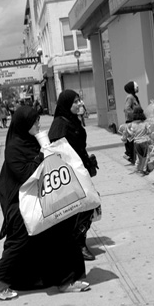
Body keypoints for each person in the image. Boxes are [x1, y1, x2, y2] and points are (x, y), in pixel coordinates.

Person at [0, 105, 89, 300]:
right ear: (24, 124)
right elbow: (25, 174)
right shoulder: (14, 148)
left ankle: (66, 280)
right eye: (34, 121)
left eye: (38, 120)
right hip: (20, 204)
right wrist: (43, 154)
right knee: (19, 241)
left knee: (62, 231)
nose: (38, 124)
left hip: (40, 197)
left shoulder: (31, 141)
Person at [48, 89, 97, 261]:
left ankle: (78, 243)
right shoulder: (60, 124)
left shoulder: (73, 120)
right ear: (66, 104)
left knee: (88, 206)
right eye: (75, 102)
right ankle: (78, 245)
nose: (79, 104)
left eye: (79, 100)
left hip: (81, 171)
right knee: (83, 208)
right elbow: (55, 151)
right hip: (70, 175)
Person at [127, 106, 153, 175]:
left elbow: (132, 133)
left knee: (139, 157)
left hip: (136, 143)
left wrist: (128, 130)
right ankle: (144, 169)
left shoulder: (133, 124)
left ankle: (137, 168)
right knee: (146, 156)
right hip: (144, 142)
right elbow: (149, 131)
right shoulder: (145, 123)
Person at [123, 81, 141, 163]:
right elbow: (127, 108)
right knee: (131, 141)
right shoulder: (130, 97)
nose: (137, 87)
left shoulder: (134, 97)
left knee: (135, 140)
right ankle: (131, 156)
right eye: (136, 86)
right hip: (131, 121)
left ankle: (134, 157)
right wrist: (134, 115)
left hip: (135, 121)